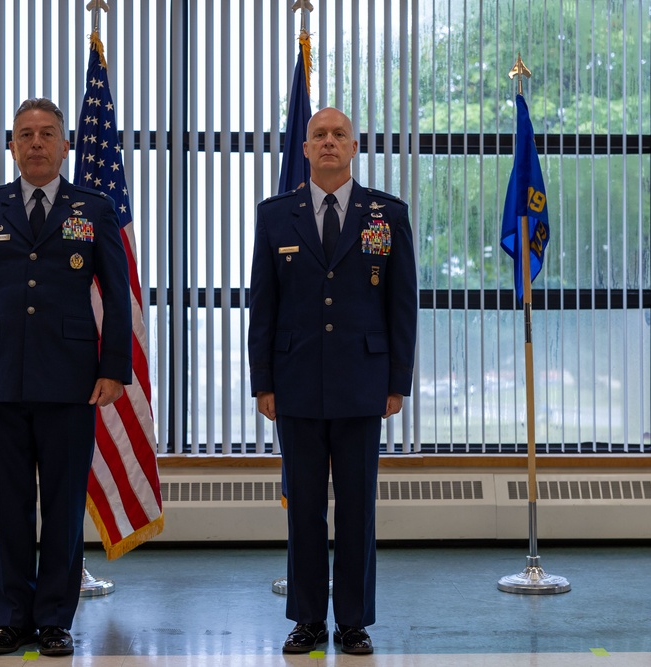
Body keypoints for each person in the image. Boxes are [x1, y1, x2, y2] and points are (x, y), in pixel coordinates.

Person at [0, 98, 132, 657]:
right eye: (25, 134)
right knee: (7, 507)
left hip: (72, 380)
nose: (36, 143)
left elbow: (116, 299)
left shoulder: (93, 208)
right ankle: (11, 619)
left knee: (66, 505)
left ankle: (53, 619)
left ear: (65, 144)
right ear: (12, 145)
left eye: (47, 133)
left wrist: (113, 369)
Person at [247, 107, 418, 655]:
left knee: (356, 506)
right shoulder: (276, 217)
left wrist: (398, 381)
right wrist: (263, 381)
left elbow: (402, 305)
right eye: (319, 135)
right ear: (305, 148)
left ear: (353, 146)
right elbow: (263, 307)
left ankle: (353, 622)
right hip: (295, 382)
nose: (328, 142)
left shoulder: (386, 215)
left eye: (338, 135)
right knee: (304, 508)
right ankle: (306, 621)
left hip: (362, 381)